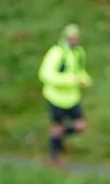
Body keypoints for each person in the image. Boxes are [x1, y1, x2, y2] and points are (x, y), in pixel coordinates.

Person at [38, 23, 91, 166]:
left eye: (77, 37)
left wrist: (84, 79)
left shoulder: (79, 52)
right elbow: (45, 74)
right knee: (57, 127)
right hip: (55, 97)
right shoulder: (56, 53)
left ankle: (59, 138)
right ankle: (53, 157)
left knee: (81, 126)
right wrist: (70, 80)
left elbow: (79, 70)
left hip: (72, 98)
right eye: (72, 38)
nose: (75, 40)